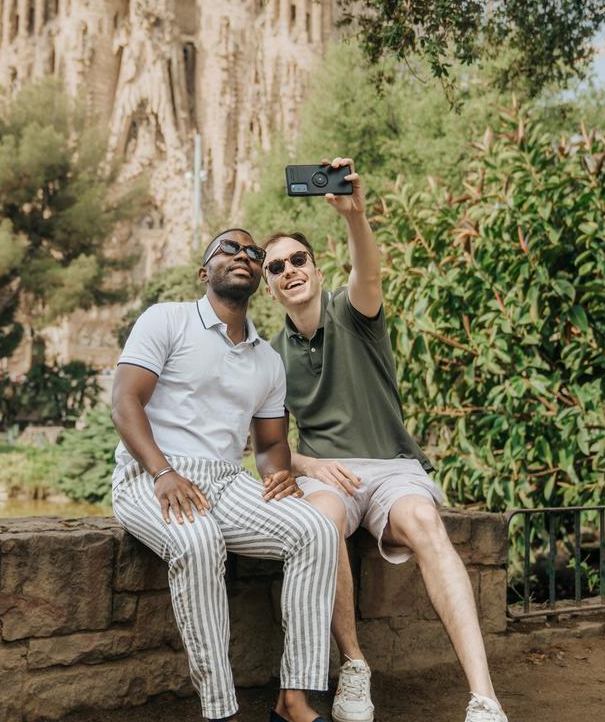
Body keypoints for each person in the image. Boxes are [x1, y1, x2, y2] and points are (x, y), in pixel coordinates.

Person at [261, 158, 509, 722]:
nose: (290, 270)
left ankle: (484, 698)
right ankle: (354, 667)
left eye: (299, 259)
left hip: (393, 469)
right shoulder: (271, 357)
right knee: (319, 526)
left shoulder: (354, 314)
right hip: (330, 476)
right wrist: (309, 465)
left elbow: (367, 272)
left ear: (316, 269)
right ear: (270, 287)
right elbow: (264, 445)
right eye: (277, 267)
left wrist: (356, 217)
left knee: (425, 523)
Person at [111, 228, 338, 722]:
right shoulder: (167, 319)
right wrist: (163, 470)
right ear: (204, 271)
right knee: (197, 543)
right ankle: (220, 711)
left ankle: (294, 698)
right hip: (150, 475)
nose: (245, 256)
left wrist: (280, 476)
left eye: (255, 254)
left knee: (316, 530)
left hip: (225, 479)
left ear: (261, 276)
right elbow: (125, 401)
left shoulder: (267, 359)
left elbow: (272, 442)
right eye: (230, 249)